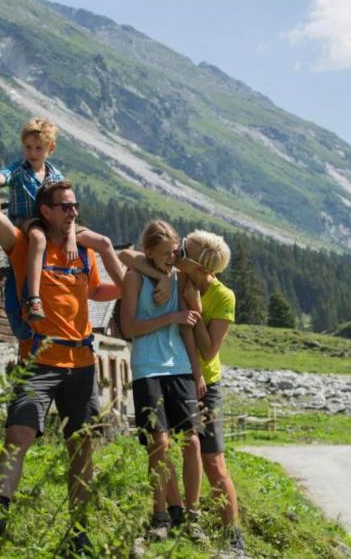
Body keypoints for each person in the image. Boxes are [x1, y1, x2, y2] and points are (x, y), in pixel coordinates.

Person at [0, 144, 122, 554]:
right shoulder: (25, 243)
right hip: (38, 360)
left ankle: (79, 531)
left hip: (82, 362)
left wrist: (117, 263)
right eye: (65, 207)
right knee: (18, 435)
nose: (73, 212)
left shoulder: (83, 251)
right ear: (46, 210)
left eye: (75, 206)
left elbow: (104, 290)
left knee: (81, 446)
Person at [120, 230, 246, 555]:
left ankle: (234, 539)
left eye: (182, 252)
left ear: (197, 264)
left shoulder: (222, 297)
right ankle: (175, 511)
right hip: (184, 372)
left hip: (207, 378)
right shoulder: (176, 277)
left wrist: (194, 307)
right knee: (167, 442)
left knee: (212, 459)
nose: (176, 255)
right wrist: (156, 275)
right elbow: (134, 256)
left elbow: (208, 349)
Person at [0, 118, 124, 321]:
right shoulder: (18, 169)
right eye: (28, 147)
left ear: (51, 148)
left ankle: (127, 288)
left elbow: (68, 210)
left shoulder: (56, 176)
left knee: (103, 242)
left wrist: (70, 238)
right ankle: (33, 299)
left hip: (57, 223)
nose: (32, 153)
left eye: (38, 148)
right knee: (39, 239)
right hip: (28, 220)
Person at [119, 220, 207, 543]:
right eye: (165, 254)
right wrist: (169, 316)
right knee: (159, 443)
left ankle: (192, 516)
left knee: (193, 442)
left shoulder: (181, 278)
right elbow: (129, 328)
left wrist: (197, 373)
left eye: (174, 252)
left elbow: (188, 329)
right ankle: (161, 516)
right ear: (149, 252)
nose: (171, 258)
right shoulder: (133, 277)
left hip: (180, 367)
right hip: (147, 368)